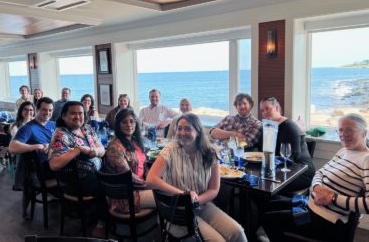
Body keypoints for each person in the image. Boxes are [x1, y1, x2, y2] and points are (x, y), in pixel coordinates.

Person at [262, 113, 369, 242]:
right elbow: (319, 173)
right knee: (271, 205)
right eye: (340, 130)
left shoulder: (366, 159)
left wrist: (333, 197)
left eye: (349, 130)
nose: (343, 134)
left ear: (364, 133)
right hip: (309, 204)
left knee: (269, 219)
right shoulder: (344, 151)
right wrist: (318, 188)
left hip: (324, 219)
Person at [146, 113, 247, 242]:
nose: (182, 132)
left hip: (202, 205)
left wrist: (196, 200)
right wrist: (184, 195)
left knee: (238, 233)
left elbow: (214, 189)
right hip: (178, 213)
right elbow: (150, 180)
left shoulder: (210, 152)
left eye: (188, 128)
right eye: (179, 128)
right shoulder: (170, 150)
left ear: (198, 131)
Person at [49, 101, 105, 196]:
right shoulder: (61, 135)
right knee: (114, 186)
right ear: (63, 116)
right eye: (73, 113)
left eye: (80, 113)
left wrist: (95, 151)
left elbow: (102, 149)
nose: (78, 117)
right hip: (76, 184)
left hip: (96, 175)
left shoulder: (87, 128)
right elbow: (54, 164)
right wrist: (78, 150)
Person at [104, 108, 155, 214]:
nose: (129, 125)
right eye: (124, 122)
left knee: (167, 187)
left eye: (131, 121)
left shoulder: (135, 141)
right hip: (127, 195)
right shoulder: (115, 147)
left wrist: (152, 179)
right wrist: (149, 184)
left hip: (140, 187)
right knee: (167, 198)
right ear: (118, 125)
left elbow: (144, 165)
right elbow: (128, 176)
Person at [259, 97, 315, 192]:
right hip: (280, 169)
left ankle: (273, 206)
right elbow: (263, 149)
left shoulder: (289, 126)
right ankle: (269, 206)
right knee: (254, 182)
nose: (264, 113)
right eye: (262, 110)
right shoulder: (269, 126)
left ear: (277, 108)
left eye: (268, 108)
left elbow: (293, 157)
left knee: (264, 185)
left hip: (300, 172)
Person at [8, 97, 56, 179]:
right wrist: (38, 146)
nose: (47, 112)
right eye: (44, 109)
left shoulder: (53, 124)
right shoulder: (28, 128)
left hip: (58, 158)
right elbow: (12, 147)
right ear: (37, 109)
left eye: (50, 110)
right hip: (46, 167)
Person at [9, 101, 35, 190]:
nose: (28, 112)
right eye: (26, 109)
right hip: (19, 153)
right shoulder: (15, 125)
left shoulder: (36, 123)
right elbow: (18, 143)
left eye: (31, 110)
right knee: (23, 156)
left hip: (34, 149)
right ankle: (20, 183)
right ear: (21, 111)